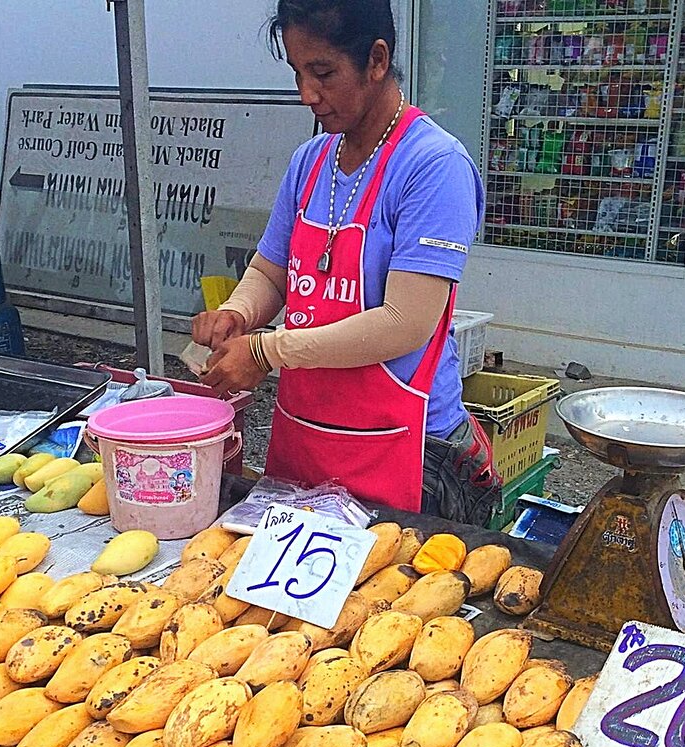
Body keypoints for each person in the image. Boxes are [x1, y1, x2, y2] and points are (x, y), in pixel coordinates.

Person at [191, 0, 500, 525]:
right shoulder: (310, 162)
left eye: (323, 73)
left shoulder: (432, 166)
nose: (307, 95)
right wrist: (240, 314)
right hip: (309, 436)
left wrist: (266, 351)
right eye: (297, 73)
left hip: (408, 449)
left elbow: (405, 323)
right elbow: (270, 271)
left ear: (377, 60)